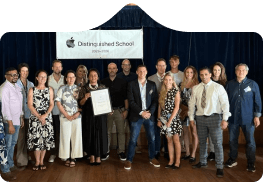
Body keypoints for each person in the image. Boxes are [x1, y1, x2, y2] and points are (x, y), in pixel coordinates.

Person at [188, 67, 231, 178]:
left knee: (217, 143)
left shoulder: (218, 87)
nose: (204, 77)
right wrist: (191, 119)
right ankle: (202, 161)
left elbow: (225, 104)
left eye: (206, 74)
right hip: (200, 118)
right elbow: (192, 104)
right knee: (202, 142)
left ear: (210, 74)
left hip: (215, 118)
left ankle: (219, 167)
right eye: (201, 75)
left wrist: (225, 119)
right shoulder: (196, 88)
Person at [224, 63, 261, 172]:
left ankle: (251, 162)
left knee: (250, 141)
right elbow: (225, 102)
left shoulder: (253, 84)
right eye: (239, 70)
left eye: (243, 70)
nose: (241, 72)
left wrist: (257, 116)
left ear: (247, 72)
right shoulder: (229, 84)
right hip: (233, 118)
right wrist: (225, 117)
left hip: (248, 119)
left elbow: (257, 101)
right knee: (232, 140)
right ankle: (232, 159)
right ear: (235, 72)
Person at [124, 65, 159, 170]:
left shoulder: (152, 84)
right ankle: (129, 160)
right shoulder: (131, 84)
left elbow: (155, 101)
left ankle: (152, 157)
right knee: (133, 139)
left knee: (151, 138)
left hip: (149, 115)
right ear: (137, 72)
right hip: (136, 115)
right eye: (140, 71)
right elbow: (131, 101)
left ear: (146, 72)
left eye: (144, 71)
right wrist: (141, 112)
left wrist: (149, 113)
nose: (142, 73)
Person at [78, 68, 108, 165]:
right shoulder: (84, 88)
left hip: (100, 116)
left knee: (100, 134)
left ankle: (98, 155)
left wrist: (109, 109)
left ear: (98, 77)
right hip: (89, 116)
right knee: (90, 134)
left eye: (95, 75)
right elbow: (80, 104)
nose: (93, 77)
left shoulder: (102, 87)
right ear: (88, 77)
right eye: (91, 75)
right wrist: (86, 97)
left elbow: (107, 102)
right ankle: (91, 155)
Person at [27, 70, 55, 171]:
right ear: (37, 78)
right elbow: (30, 105)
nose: (43, 79)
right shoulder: (32, 89)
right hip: (35, 118)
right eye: (41, 77)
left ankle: (42, 161)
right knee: (36, 141)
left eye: (45, 77)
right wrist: (39, 116)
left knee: (44, 140)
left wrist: (45, 115)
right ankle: (37, 161)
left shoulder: (50, 89)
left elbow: (52, 104)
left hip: (47, 117)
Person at [55, 70, 83, 167]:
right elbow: (58, 102)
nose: (71, 79)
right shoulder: (62, 88)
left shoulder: (79, 89)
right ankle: (66, 157)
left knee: (76, 137)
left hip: (77, 117)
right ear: (66, 78)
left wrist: (77, 113)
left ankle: (73, 157)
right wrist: (66, 115)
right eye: (69, 77)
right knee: (65, 137)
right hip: (64, 116)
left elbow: (82, 103)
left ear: (75, 78)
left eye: (73, 77)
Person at [101, 63, 128, 161]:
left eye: (113, 68)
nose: (112, 70)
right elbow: (101, 98)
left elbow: (126, 98)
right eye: (110, 68)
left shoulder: (122, 82)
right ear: (107, 70)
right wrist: (105, 109)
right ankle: (106, 151)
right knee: (107, 132)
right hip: (107, 111)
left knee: (121, 131)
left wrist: (126, 110)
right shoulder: (103, 82)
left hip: (119, 110)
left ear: (117, 70)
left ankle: (121, 151)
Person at [0, 67, 23, 181]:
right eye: (12, 75)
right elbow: (5, 108)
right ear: (6, 76)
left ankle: (10, 164)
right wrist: (10, 124)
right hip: (9, 122)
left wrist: (22, 116)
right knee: (7, 146)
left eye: (16, 74)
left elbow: (19, 103)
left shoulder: (17, 86)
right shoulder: (4, 88)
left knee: (13, 143)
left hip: (17, 120)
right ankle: (5, 170)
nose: (15, 77)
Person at [157, 73, 182, 169]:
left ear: (172, 81)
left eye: (169, 79)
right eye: (166, 79)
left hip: (173, 119)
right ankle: (171, 160)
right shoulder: (162, 92)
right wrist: (159, 119)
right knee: (169, 140)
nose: (168, 81)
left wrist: (170, 121)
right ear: (164, 81)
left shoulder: (176, 91)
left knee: (176, 140)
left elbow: (176, 108)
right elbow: (160, 107)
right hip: (164, 119)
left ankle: (177, 161)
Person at [117, 59, 141, 154]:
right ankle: (121, 148)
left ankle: (134, 146)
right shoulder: (118, 76)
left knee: (133, 128)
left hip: (133, 106)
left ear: (130, 66)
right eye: (124, 65)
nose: (126, 66)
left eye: (128, 65)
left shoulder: (135, 76)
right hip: (121, 107)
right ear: (122, 66)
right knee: (121, 129)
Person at [207, 62, 228, 161]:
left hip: (220, 113)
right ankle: (212, 152)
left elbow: (226, 101)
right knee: (211, 134)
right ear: (211, 71)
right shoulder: (208, 82)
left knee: (218, 134)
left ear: (221, 71)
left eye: (219, 70)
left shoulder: (225, 84)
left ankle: (218, 153)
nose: (216, 72)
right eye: (215, 70)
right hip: (209, 112)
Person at [16, 63, 34, 170]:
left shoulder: (31, 84)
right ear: (19, 72)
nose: (25, 73)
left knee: (29, 138)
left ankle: (27, 157)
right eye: (23, 71)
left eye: (26, 71)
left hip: (30, 115)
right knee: (21, 139)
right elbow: (15, 103)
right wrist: (20, 117)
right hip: (20, 116)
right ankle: (21, 161)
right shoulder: (16, 85)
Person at [148, 58, 167, 159]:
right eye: (159, 65)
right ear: (156, 67)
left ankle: (167, 151)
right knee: (156, 130)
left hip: (167, 109)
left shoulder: (169, 77)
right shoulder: (150, 78)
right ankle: (157, 150)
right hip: (155, 108)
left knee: (167, 130)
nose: (161, 68)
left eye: (163, 65)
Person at [179, 66, 199, 163]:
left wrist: (191, 110)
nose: (189, 74)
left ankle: (193, 154)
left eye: (191, 72)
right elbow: (179, 99)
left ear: (194, 73)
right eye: (187, 72)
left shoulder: (198, 85)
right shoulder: (181, 85)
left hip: (194, 112)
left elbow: (199, 101)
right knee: (185, 132)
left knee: (194, 133)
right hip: (183, 112)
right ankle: (187, 152)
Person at [48, 60, 64, 163]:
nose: (57, 69)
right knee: (52, 134)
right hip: (51, 111)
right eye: (56, 67)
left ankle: (63, 153)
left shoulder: (66, 79)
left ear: (61, 68)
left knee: (63, 133)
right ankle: (53, 154)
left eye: (59, 67)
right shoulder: (47, 79)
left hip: (63, 111)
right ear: (52, 68)